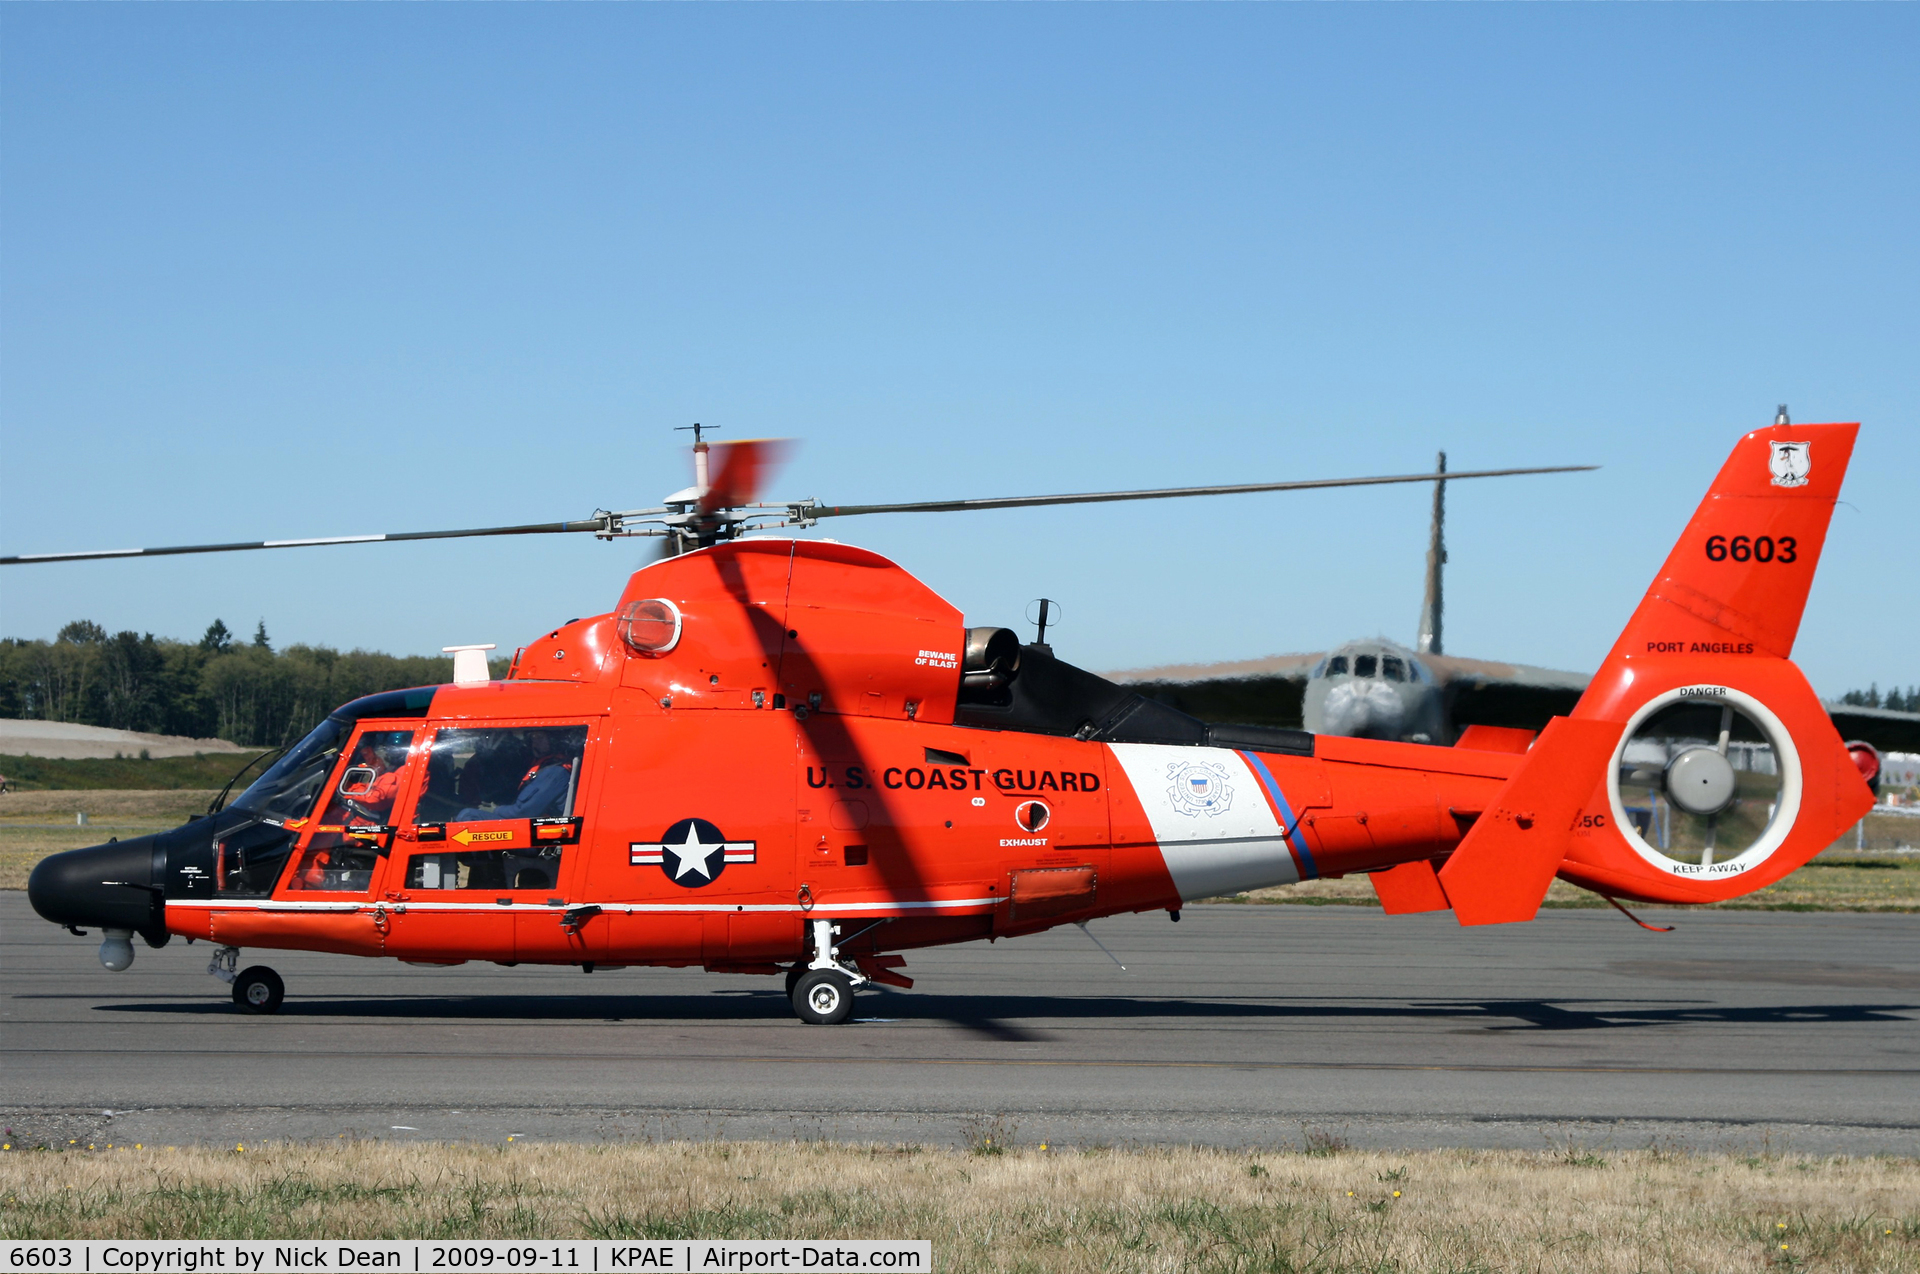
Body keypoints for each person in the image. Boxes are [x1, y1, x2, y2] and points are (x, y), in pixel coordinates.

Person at [455, 730, 571, 822]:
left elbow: (523, 813)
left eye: (540, 737)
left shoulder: (554, 773)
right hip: (528, 824)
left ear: (553, 740)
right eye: (533, 738)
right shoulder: (540, 766)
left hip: (538, 834)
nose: (535, 742)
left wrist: (495, 809)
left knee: (468, 816)